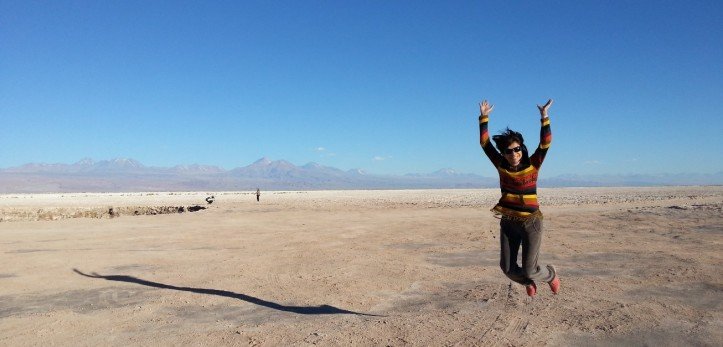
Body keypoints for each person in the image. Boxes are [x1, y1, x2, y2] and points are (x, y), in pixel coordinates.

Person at [478, 99, 560, 297]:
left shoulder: (533, 164)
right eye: (508, 151)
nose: (513, 154)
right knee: (507, 268)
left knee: (530, 268)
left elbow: (545, 143)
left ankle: (550, 276)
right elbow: (485, 143)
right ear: (504, 154)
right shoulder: (501, 165)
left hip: (531, 222)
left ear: (521, 148)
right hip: (508, 223)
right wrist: (484, 117)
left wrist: (544, 117)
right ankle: (527, 282)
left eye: (516, 149)